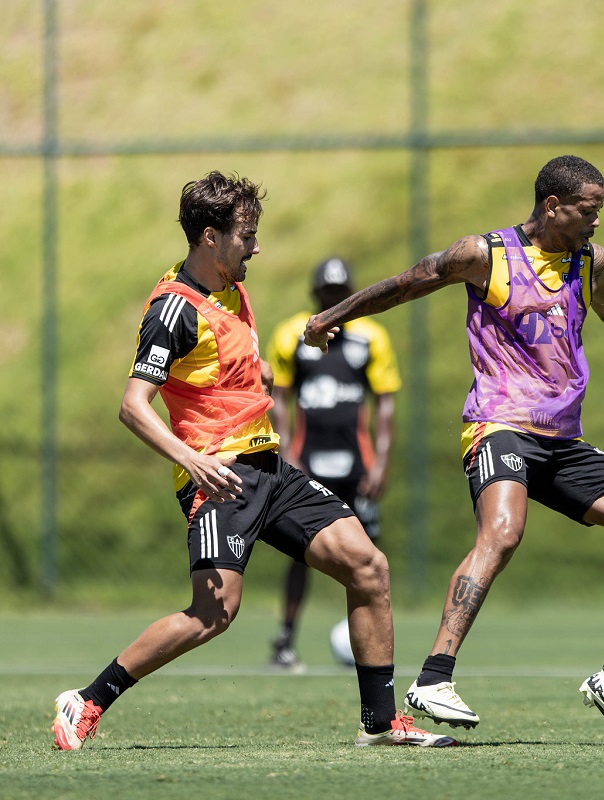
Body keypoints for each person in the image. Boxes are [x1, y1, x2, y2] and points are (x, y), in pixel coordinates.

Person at [51, 171, 453, 750]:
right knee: (213, 614)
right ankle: (88, 700)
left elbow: (226, 373)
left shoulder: (230, 289)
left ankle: (382, 723)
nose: (256, 246)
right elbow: (133, 406)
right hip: (219, 476)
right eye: (247, 235)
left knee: (368, 566)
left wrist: (276, 369)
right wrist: (191, 461)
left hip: (270, 467)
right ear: (210, 237)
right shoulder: (172, 310)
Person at [303, 154, 604, 740]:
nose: (596, 223)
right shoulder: (485, 255)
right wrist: (333, 315)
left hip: (562, 440)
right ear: (552, 206)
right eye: (588, 212)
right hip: (499, 424)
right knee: (504, 531)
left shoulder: (591, 262)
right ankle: (435, 677)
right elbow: (407, 282)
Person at [266, 257, 401, 670]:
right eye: (327, 294)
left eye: (341, 295)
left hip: (357, 466)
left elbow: (385, 404)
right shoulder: (292, 335)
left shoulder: (371, 338)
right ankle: (285, 640)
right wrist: (287, 454)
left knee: (368, 556)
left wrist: (380, 462)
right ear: (315, 294)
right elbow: (279, 398)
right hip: (306, 464)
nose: (334, 300)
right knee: (299, 555)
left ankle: (373, 646)